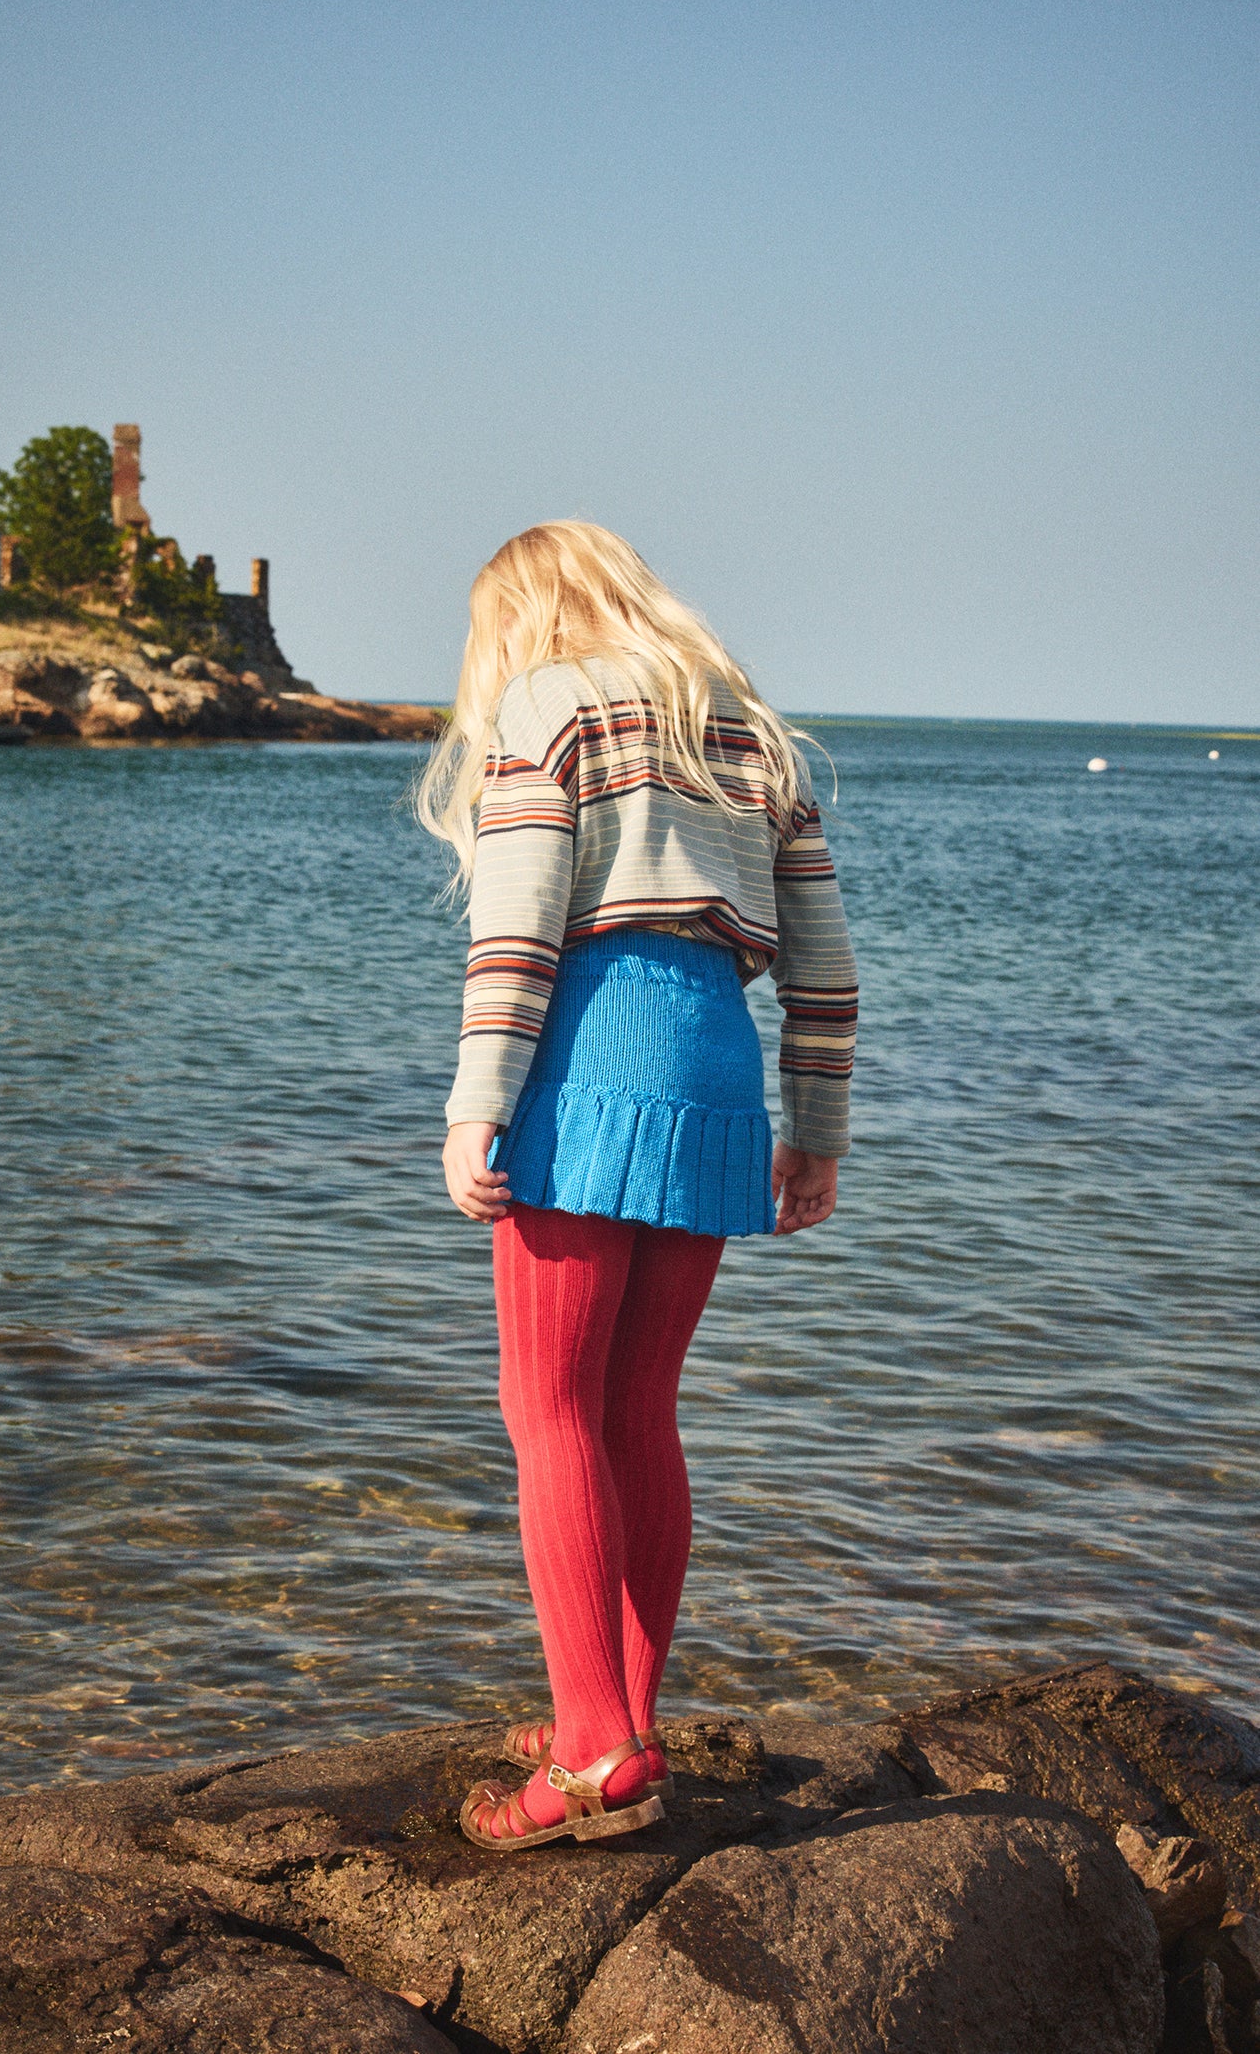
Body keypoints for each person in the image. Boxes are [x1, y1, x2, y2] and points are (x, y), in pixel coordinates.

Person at [416, 522, 857, 1851]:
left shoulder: (548, 702)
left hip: (591, 1051)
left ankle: (592, 1751)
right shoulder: (745, 731)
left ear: (518, 619)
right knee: (636, 1409)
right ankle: (615, 1716)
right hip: (716, 1061)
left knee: (546, 1408)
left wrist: (474, 1104)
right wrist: (815, 1129)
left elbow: (518, 929)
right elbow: (827, 966)